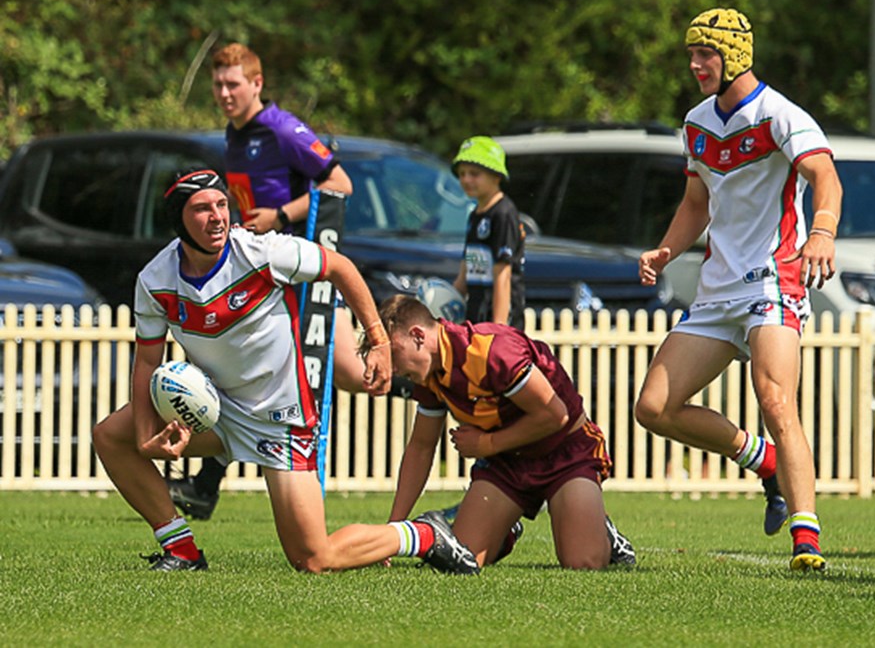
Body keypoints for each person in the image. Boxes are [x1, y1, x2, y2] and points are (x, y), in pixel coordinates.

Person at [92, 168, 479, 574]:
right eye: (202, 209)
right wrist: (144, 438)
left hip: (280, 419)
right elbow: (146, 363)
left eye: (222, 205)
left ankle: (424, 535)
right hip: (216, 410)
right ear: (179, 220)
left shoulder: (260, 252)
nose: (218, 217)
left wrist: (379, 341)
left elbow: (341, 268)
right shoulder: (155, 280)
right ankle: (182, 550)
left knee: (314, 559)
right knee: (111, 437)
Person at [635, 7, 842, 571]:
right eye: (693, 55)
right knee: (653, 407)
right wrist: (666, 250)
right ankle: (764, 463)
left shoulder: (780, 114)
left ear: (736, 56)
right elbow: (696, 203)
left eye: (706, 54)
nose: (697, 64)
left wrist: (821, 232)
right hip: (716, 288)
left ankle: (807, 540)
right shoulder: (696, 122)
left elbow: (825, 176)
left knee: (776, 400)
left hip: (772, 279)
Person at [168, 42, 365, 519]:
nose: (224, 92)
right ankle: (204, 488)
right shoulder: (235, 134)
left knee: (354, 374)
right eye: (217, 84)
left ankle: (429, 383)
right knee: (240, 371)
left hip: (296, 269)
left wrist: (280, 214)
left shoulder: (282, 129)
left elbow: (340, 183)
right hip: (260, 274)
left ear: (257, 84)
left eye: (233, 83)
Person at [370, 295, 635, 569]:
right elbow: (421, 448)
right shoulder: (428, 374)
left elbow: (555, 415)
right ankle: (506, 531)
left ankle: (605, 535)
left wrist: (488, 443)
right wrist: (393, 529)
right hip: (507, 464)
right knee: (458, 561)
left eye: (392, 352)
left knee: (584, 563)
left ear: (417, 336)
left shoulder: (490, 351)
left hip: (564, 452)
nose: (392, 367)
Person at [451, 136, 526, 330]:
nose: (466, 179)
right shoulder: (474, 215)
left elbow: (503, 274)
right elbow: (465, 272)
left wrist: (499, 328)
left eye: (474, 173)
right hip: (476, 318)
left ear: (496, 176)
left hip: (499, 321)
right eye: (462, 173)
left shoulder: (503, 213)